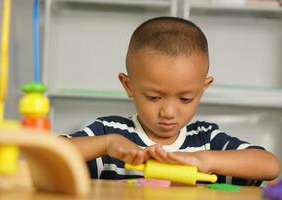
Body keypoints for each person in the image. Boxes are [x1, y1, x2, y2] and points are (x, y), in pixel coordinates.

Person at [61, 17, 280, 185]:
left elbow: (269, 165)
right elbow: (50, 152)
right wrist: (106, 144)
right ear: (128, 86)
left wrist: (203, 161)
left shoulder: (205, 139)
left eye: (185, 99)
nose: (168, 111)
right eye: (154, 97)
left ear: (202, 89)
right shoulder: (110, 132)